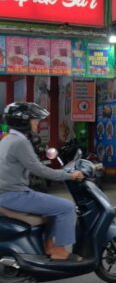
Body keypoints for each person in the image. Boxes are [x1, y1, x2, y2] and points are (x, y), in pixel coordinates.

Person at [0, 103, 86, 261]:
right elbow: (40, 170)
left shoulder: (7, 140)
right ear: (23, 122)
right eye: (34, 120)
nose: (37, 123)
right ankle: (60, 251)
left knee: (52, 208)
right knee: (66, 208)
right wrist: (70, 175)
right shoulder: (20, 143)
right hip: (14, 194)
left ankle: (49, 246)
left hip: (8, 193)